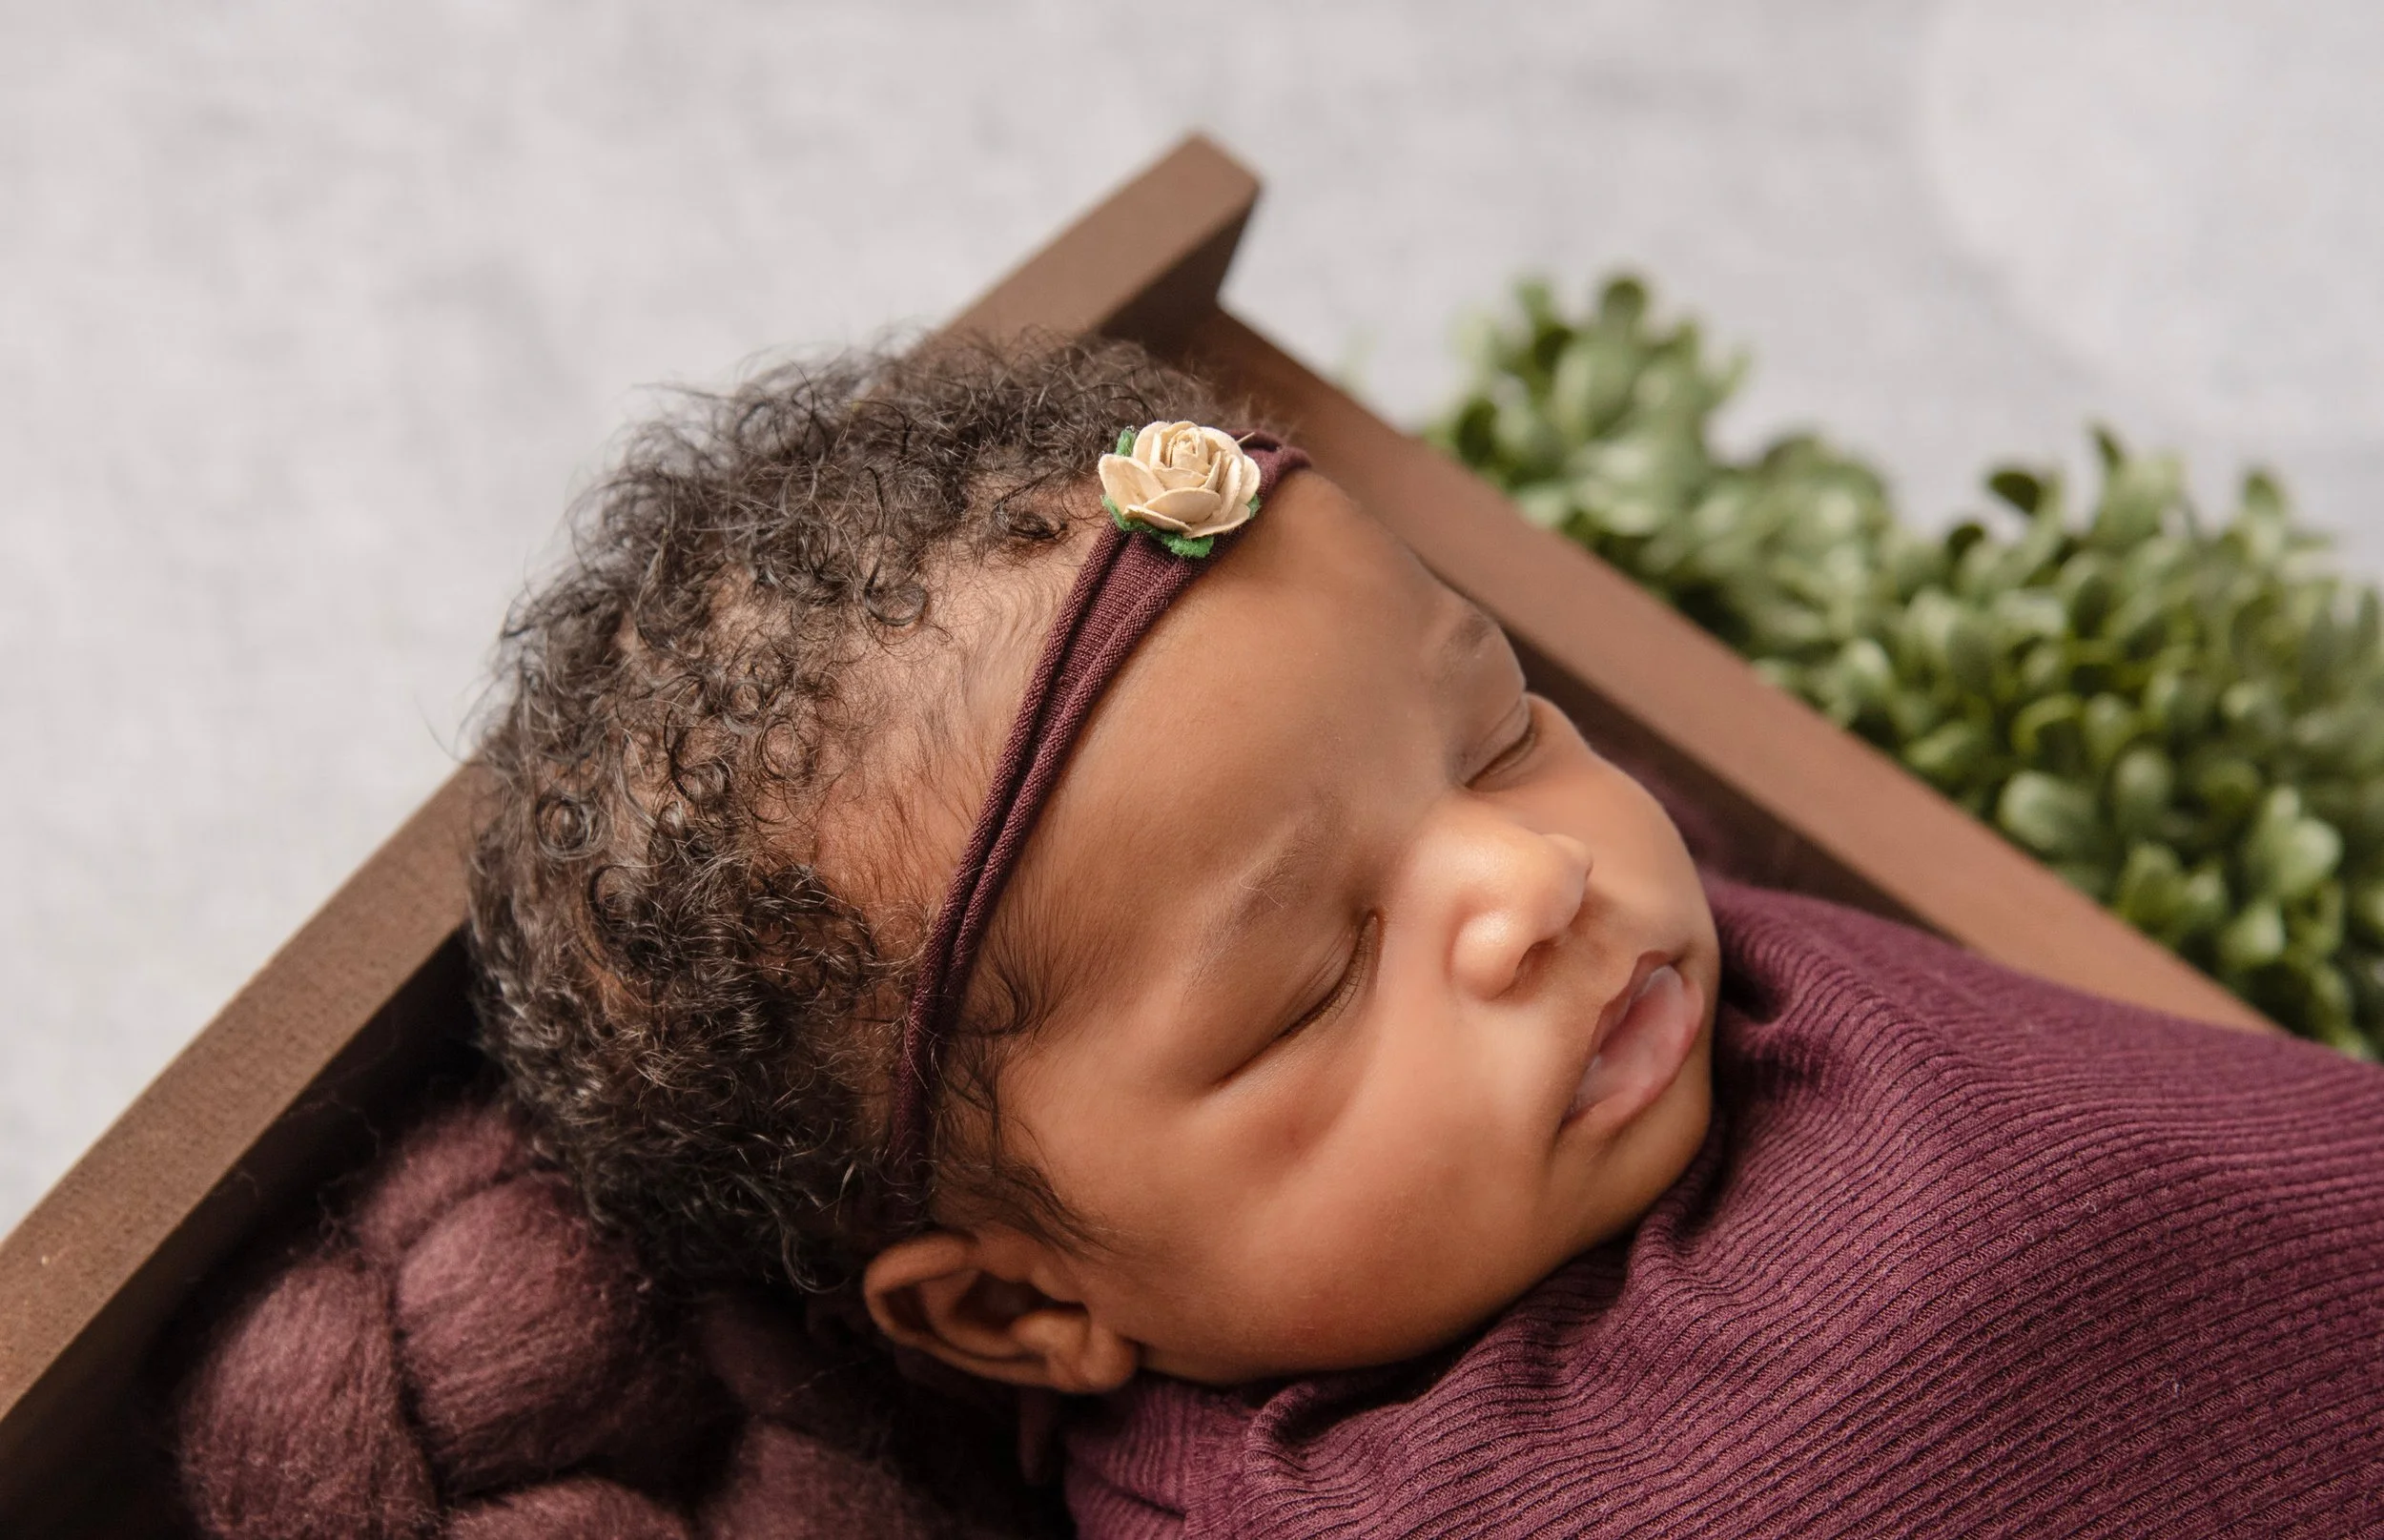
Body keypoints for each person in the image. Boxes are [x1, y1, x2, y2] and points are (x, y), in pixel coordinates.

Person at [468, 336, 2384, 1538]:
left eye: (1500, 730)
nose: (1523, 883)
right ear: (1021, 1309)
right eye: (1314, 980)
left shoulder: (1662, 964)